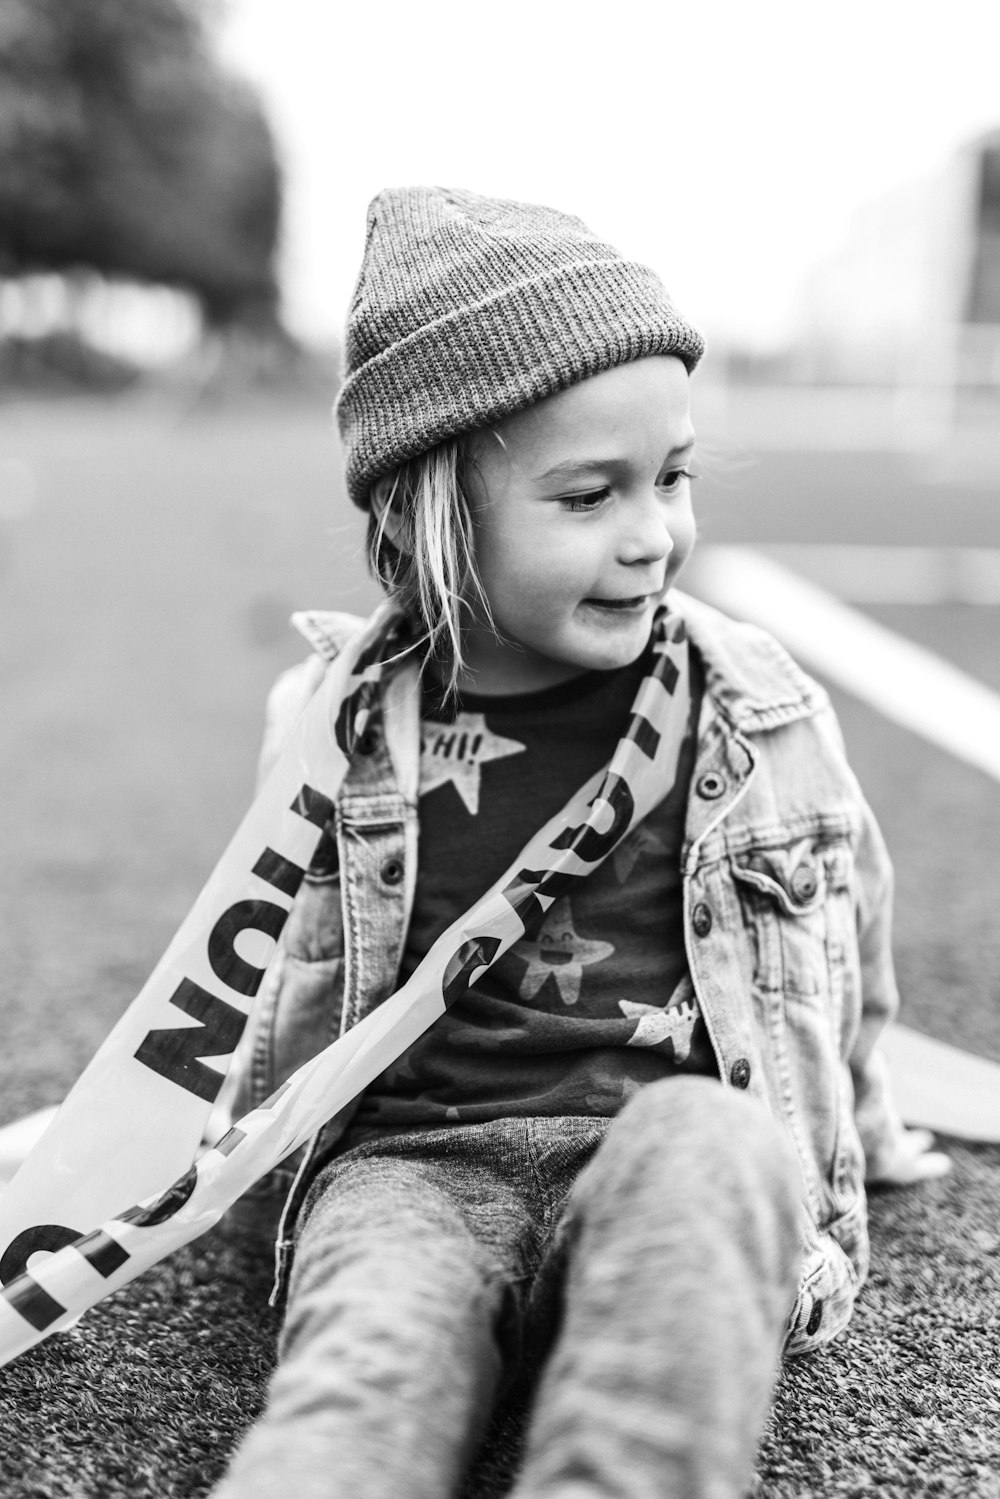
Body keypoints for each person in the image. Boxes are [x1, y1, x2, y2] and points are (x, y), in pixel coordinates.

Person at [212, 186, 949, 1499]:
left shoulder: (755, 703)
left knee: (719, 1160)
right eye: (588, 495)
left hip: (668, 1146)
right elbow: (266, 975)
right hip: (414, 1172)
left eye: (671, 479)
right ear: (435, 511)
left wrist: (872, 1134)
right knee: (363, 1378)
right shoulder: (331, 725)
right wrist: (196, 1157)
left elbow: (845, 941)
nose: (653, 533)